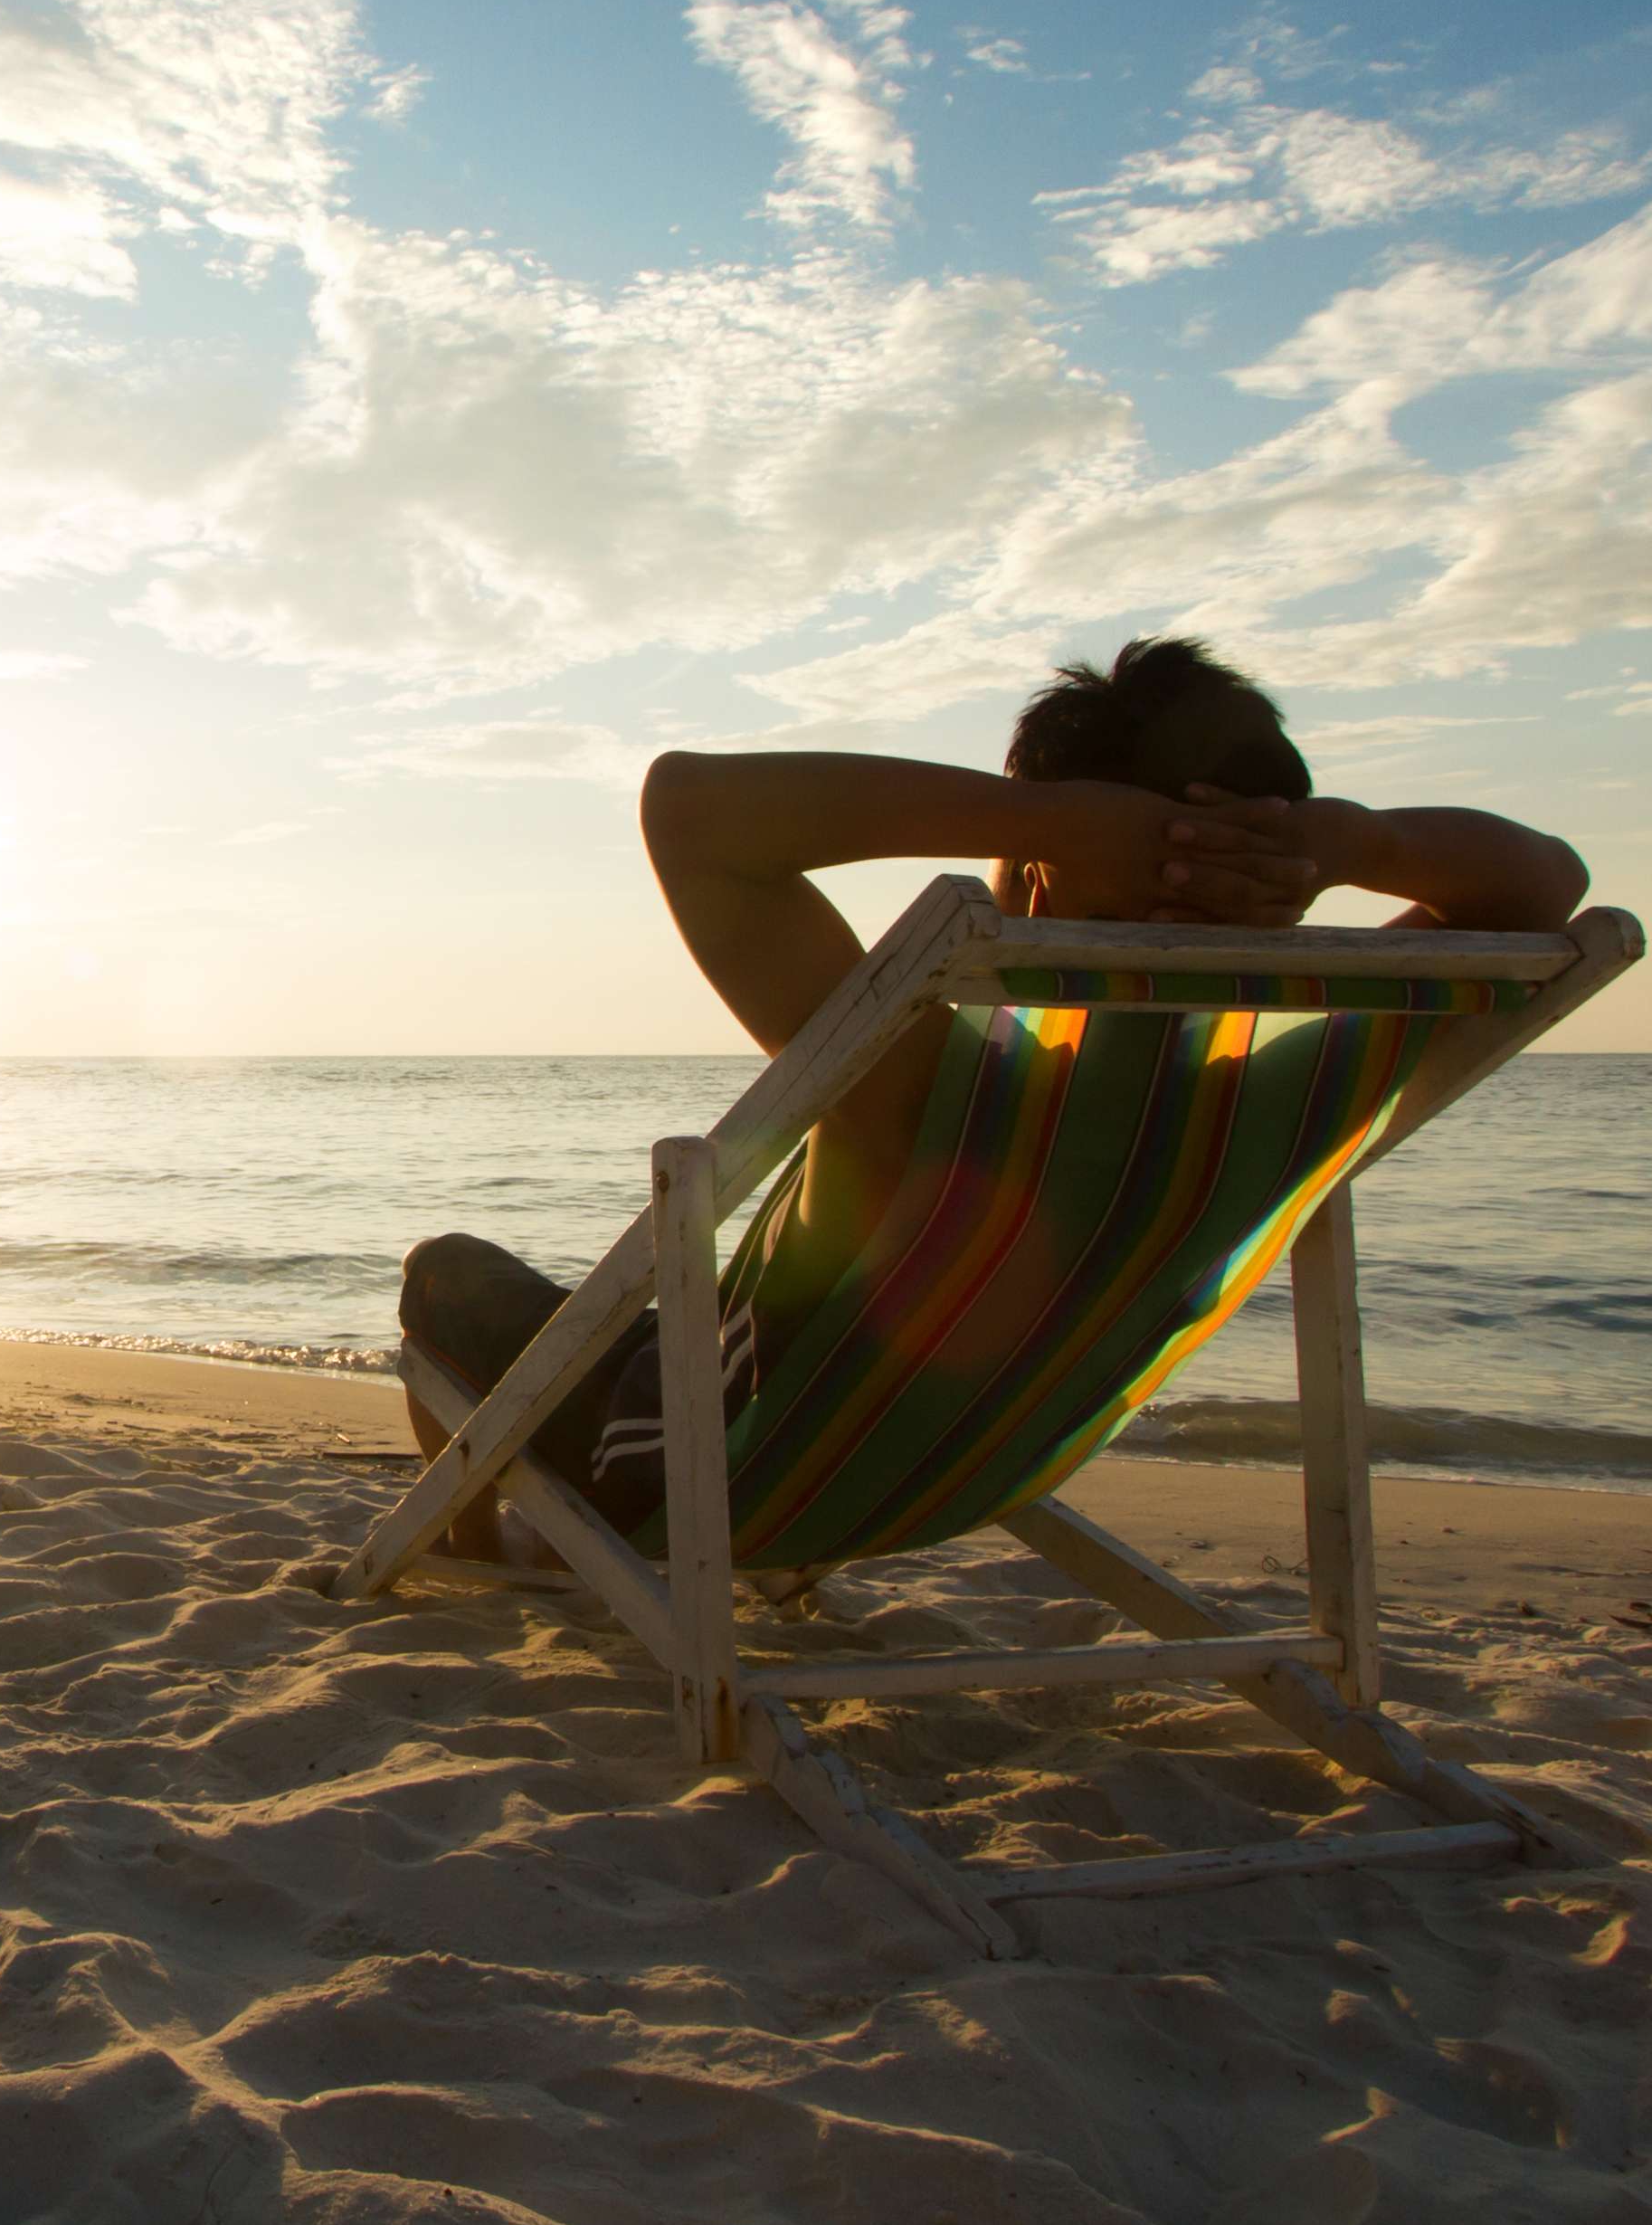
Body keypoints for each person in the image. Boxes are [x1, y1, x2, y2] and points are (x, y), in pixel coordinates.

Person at [395, 636, 1585, 1555]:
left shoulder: (922, 1089)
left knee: (447, 1272)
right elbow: (1547, 890)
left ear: (1044, 867)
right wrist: (1344, 845)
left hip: (687, 1472)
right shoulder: (1280, 1110)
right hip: (947, 1480)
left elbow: (689, 810)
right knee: (648, 1327)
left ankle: (475, 1547)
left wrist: (1038, 821)